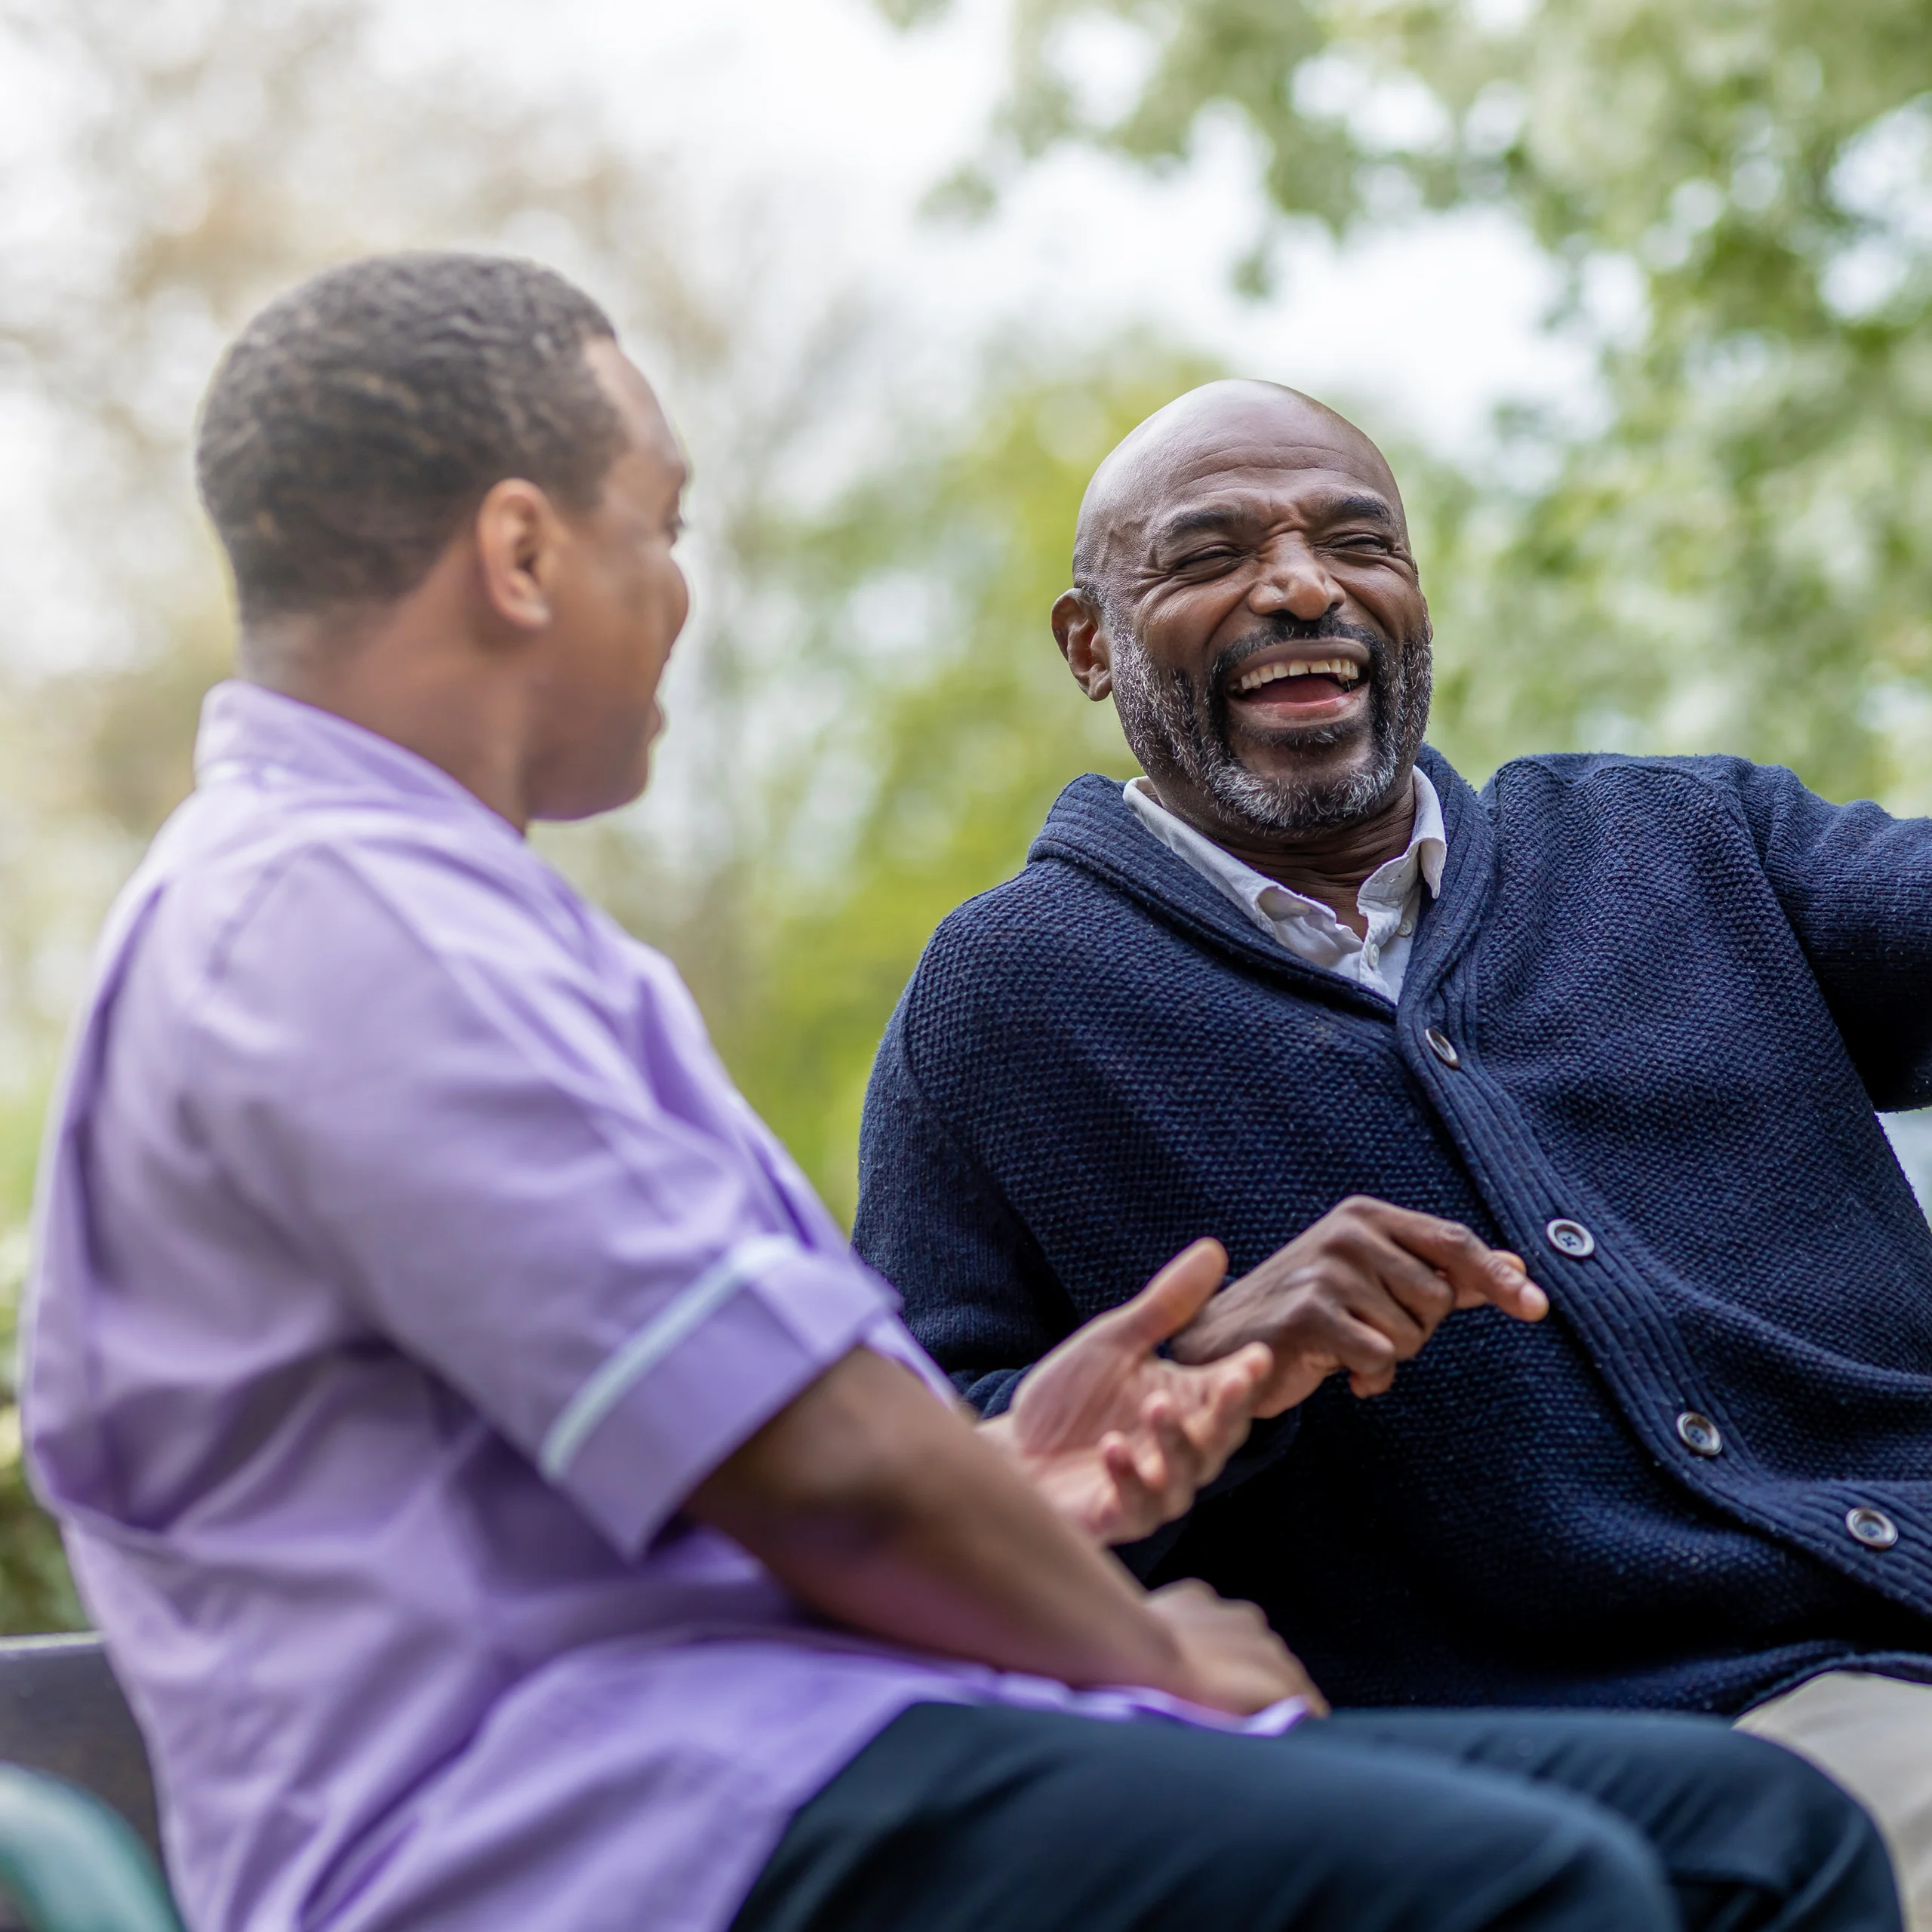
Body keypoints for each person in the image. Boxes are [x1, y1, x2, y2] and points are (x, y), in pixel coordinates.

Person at [23, 257, 1899, 1932]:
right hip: (610, 1817)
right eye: (659, 528)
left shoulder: (456, 922)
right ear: (522, 556)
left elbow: (819, 1441)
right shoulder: (340, 926)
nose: (680, 595)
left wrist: (1028, 1466)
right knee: (1544, 1882)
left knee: (1741, 1838)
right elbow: (823, 1464)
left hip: (793, 1736)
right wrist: (1134, 1638)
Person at [853, 375, 1932, 1927]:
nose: (1299, 581)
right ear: (1088, 645)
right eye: (1208, 551)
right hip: (1635, 1753)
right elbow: (921, 1475)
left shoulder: (1687, 839)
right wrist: (1200, 1360)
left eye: (1354, 539)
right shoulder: (1007, 1001)